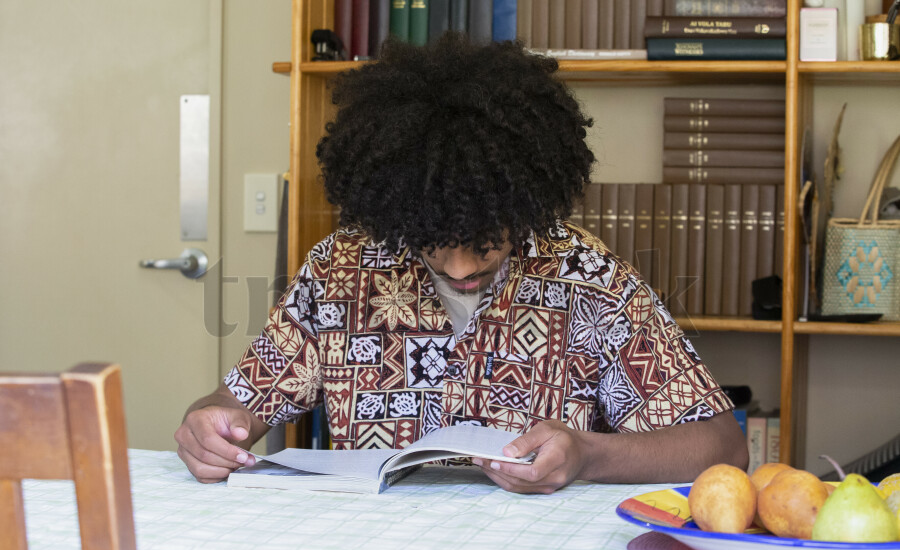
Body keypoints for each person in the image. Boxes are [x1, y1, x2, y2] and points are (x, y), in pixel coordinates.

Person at [175, 34, 748, 494]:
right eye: (431, 242)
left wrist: (588, 454)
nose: (457, 267)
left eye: (485, 241)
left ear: (526, 206)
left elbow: (721, 446)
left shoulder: (589, 278)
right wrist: (212, 425)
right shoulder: (338, 271)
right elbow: (236, 404)